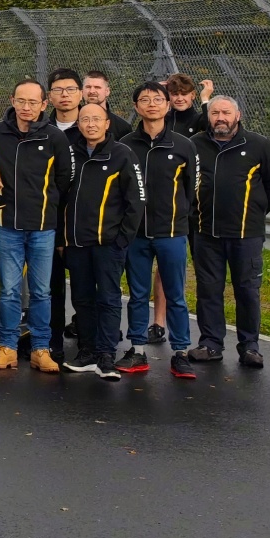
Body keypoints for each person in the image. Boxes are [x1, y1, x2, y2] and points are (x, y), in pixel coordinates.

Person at [0, 78, 74, 373]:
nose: (26, 108)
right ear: (12, 101)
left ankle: (41, 349)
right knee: (10, 290)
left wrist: (50, 208)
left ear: (44, 104)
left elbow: (64, 180)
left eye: (33, 103)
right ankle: (8, 348)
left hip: (43, 227)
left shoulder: (54, 137)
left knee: (41, 292)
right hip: (7, 224)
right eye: (21, 101)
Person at [192, 95, 270, 369]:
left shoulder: (259, 145)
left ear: (238, 115)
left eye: (226, 112)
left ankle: (250, 347)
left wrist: (255, 212)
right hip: (205, 233)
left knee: (247, 291)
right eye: (215, 112)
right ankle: (210, 343)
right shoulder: (195, 145)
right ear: (208, 116)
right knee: (208, 290)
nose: (220, 117)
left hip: (247, 235)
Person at [118, 81, 199, 379]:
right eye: (144, 99)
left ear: (167, 105)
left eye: (157, 99)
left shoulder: (184, 145)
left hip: (171, 233)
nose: (151, 104)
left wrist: (178, 220)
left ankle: (180, 352)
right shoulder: (125, 144)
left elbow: (192, 189)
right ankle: (137, 349)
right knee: (137, 294)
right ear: (137, 107)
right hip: (135, 235)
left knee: (176, 295)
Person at [58, 102, 145, 381]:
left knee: (108, 299)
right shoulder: (70, 154)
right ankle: (87, 353)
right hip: (77, 243)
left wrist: (122, 239)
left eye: (97, 119)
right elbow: (58, 198)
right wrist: (63, 238)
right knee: (82, 299)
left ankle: (107, 355)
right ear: (78, 124)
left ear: (107, 123)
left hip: (109, 244)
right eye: (85, 120)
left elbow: (137, 201)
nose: (91, 124)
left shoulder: (123, 154)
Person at [45, 67, 85, 347]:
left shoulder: (94, 128)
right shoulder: (41, 130)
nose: (65, 95)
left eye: (70, 89)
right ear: (49, 96)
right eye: (58, 90)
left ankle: (89, 342)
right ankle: (51, 342)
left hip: (85, 224)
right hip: (49, 221)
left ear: (80, 94)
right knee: (50, 287)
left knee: (85, 286)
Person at [163, 73, 214, 141]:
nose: (180, 99)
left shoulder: (200, 119)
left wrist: (205, 98)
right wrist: (154, 92)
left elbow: (213, 131)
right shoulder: (162, 119)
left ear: (192, 95)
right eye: (175, 94)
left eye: (184, 94)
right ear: (167, 95)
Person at [82, 72, 132, 138]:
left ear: (107, 91)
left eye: (97, 87)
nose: (92, 91)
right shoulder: (72, 123)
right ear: (82, 91)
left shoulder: (122, 127)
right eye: (88, 87)